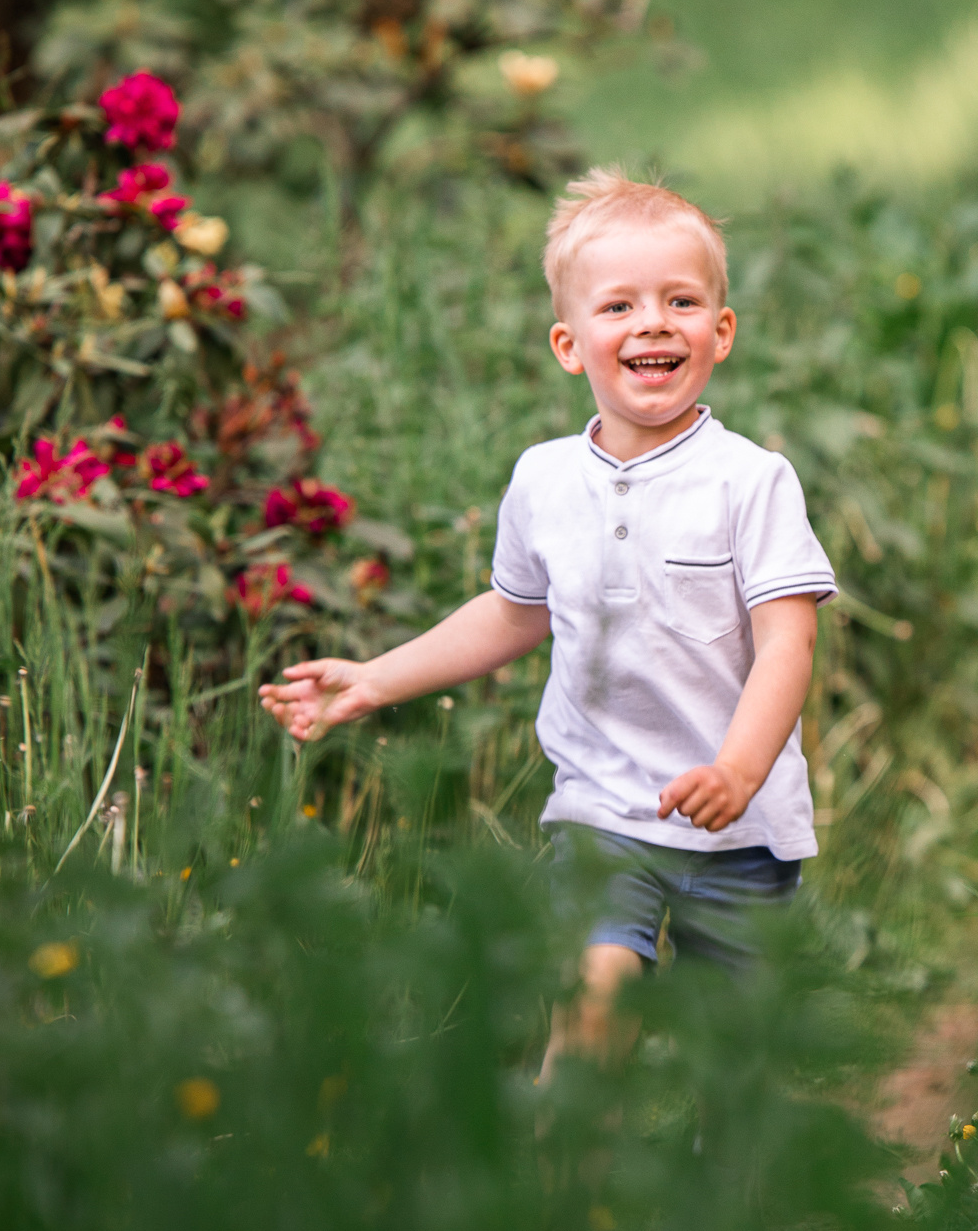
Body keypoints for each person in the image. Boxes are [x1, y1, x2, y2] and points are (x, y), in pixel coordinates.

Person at [259, 168, 836, 1075]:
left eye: (679, 301)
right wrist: (374, 678)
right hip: (603, 812)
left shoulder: (750, 481)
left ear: (719, 333)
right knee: (594, 991)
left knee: (739, 1064)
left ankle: (732, 1208)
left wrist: (738, 767)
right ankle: (572, 1193)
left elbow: (788, 641)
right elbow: (511, 612)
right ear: (570, 346)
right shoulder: (543, 480)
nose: (651, 323)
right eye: (619, 307)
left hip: (742, 826)